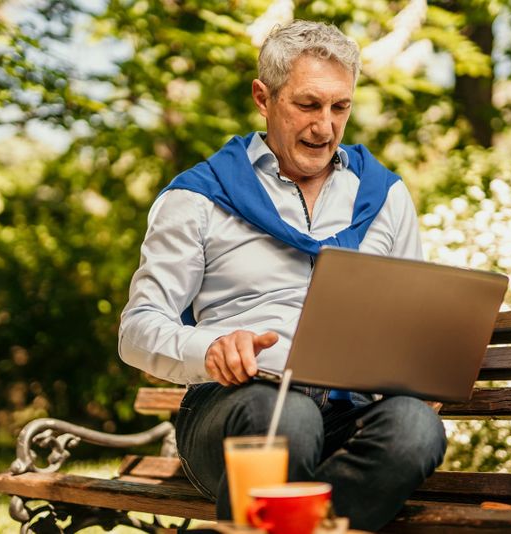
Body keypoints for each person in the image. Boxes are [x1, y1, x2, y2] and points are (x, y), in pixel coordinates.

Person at [118, 20, 446, 531]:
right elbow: (137, 327)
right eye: (308, 105)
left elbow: (409, 315)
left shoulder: (384, 196)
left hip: (352, 411)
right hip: (235, 407)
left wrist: (422, 369)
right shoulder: (198, 197)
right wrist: (209, 348)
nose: (325, 128)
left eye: (340, 108)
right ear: (263, 97)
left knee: (416, 427)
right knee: (290, 418)